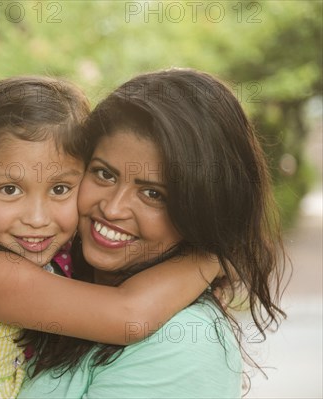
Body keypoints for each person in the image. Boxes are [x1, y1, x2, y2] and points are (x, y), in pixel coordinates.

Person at [0, 76, 220, 398]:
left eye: (61, 188)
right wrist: (212, 257)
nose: (37, 218)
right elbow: (128, 315)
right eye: (9, 189)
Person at [18, 68, 287, 398]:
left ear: (200, 210)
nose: (114, 209)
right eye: (104, 173)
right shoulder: (52, 278)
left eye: (153, 194)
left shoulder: (185, 341)